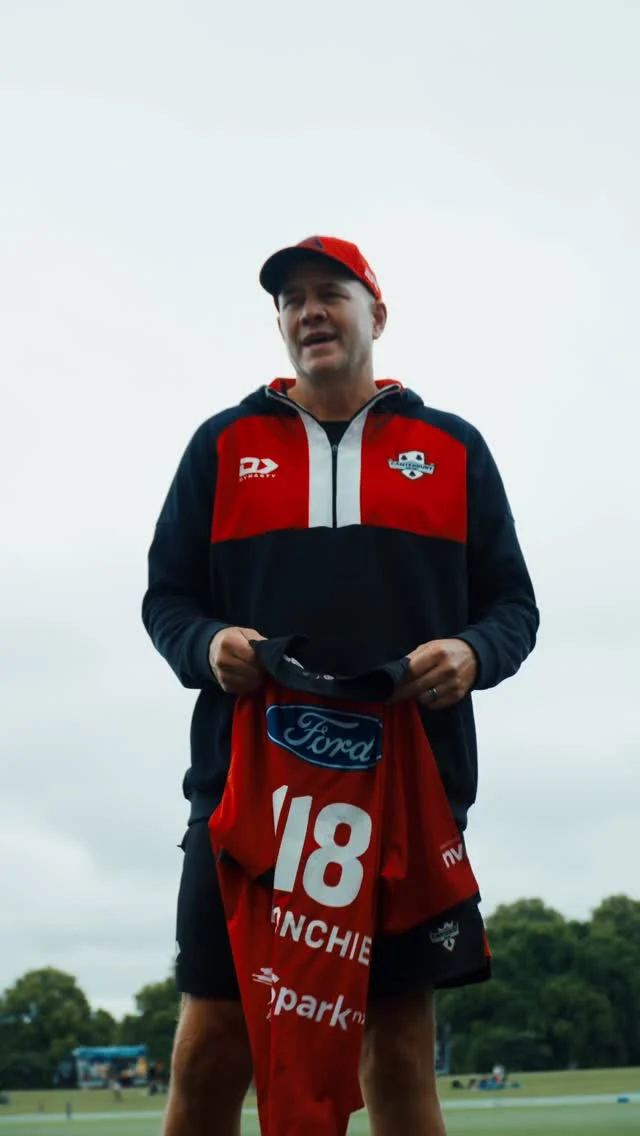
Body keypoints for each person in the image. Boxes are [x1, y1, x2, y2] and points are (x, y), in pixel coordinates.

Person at [142, 235, 539, 1136]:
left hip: (405, 801)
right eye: (291, 300)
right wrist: (209, 645)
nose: (309, 311)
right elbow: (168, 600)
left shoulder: (452, 448)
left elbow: (513, 607)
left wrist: (474, 653)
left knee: (396, 1051)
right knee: (212, 1046)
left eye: (330, 294)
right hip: (243, 801)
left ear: (377, 315)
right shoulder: (222, 445)